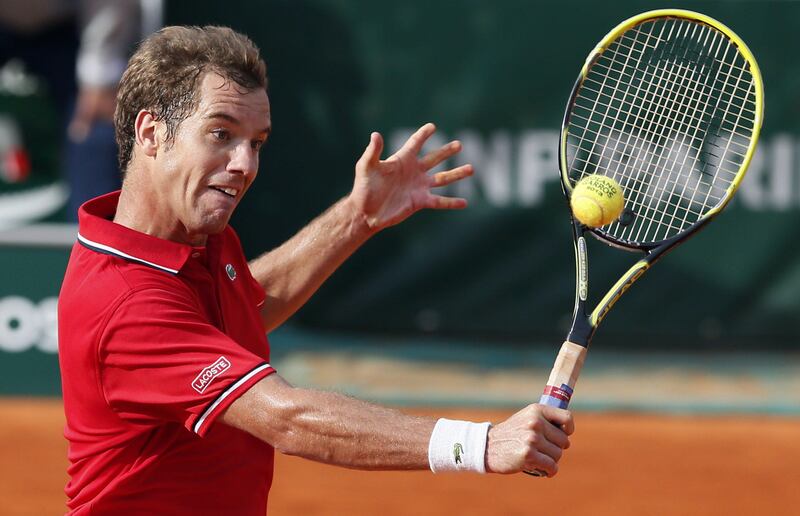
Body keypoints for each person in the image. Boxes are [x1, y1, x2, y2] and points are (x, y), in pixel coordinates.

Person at [58, 25, 574, 514]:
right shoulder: (127, 301)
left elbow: (248, 308)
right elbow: (288, 419)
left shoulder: (194, 239)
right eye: (221, 133)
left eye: (256, 142)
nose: (245, 164)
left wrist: (356, 217)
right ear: (152, 132)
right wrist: (481, 444)